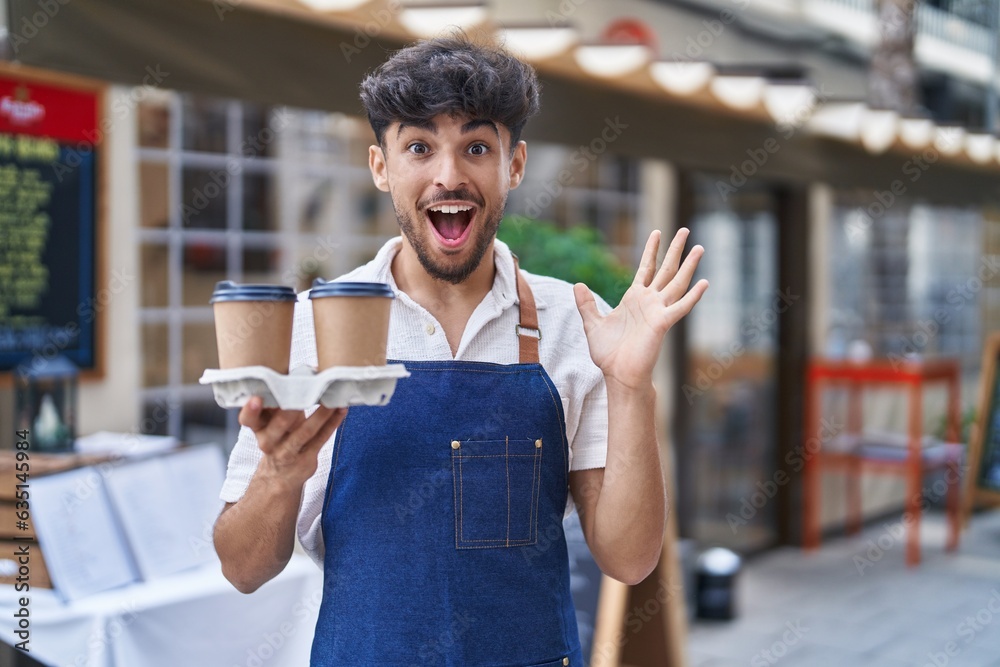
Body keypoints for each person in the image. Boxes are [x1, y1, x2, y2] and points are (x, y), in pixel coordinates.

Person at [213, 35, 708, 666]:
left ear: (515, 165)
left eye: (476, 147)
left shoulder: (568, 323)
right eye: (419, 147)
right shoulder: (313, 326)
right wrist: (280, 475)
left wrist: (631, 386)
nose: (449, 175)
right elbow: (242, 568)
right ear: (380, 166)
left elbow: (630, 559)